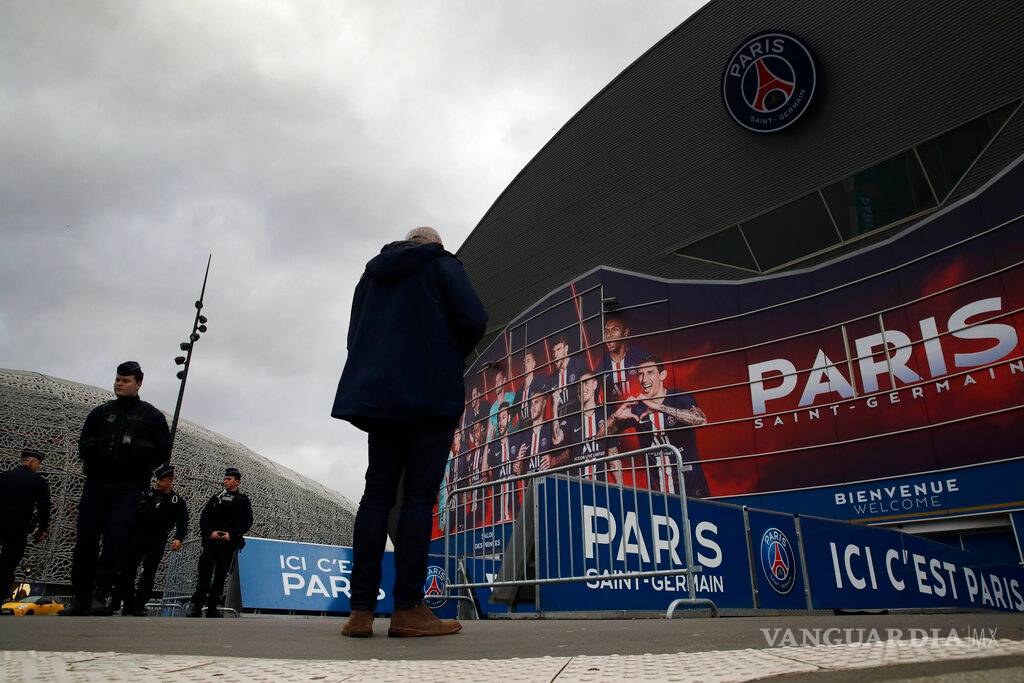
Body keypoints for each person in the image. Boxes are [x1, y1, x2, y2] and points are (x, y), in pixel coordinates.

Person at [332, 226, 486, 638]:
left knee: (376, 495)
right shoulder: (442, 264)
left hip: (381, 398)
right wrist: (448, 350)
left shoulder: (373, 274)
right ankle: (408, 609)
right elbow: (475, 318)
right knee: (418, 497)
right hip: (431, 395)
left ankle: (360, 611)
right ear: (434, 243)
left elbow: (355, 335)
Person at [63, 361, 171, 616]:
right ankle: (80, 597)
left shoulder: (151, 417)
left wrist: (137, 461)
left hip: (129, 486)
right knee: (86, 540)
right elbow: (83, 444)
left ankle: (100, 595)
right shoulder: (100, 413)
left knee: (115, 540)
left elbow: (163, 451)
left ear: (139, 383)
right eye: (118, 379)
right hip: (97, 483)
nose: (119, 384)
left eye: (126, 380)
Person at [608, 355, 709, 498]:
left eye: (650, 373)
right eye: (641, 374)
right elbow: (602, 436)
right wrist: (614, 417)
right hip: (658, 493)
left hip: (692, 487)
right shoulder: (636, 408)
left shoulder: (679, 397)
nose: (644, 380)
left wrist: (659, 407)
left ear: (662, 375)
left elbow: (701, 420)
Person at [120, 464, 188, 616]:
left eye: (162, 479)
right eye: (157, 479)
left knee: (149, 572)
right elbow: (134, 514)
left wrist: (179, 538)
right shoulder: (147, 495)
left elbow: (183, 521)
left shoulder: (176, 501)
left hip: (158, 538)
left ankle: (139, 604)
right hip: (139, 535)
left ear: (170, 481)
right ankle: (128, 602)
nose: (158, 482)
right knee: (128, 569)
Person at [187, 467, 252, 617]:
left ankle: (212, 607)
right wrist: (210, 532)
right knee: (204, 573)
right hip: (212, 542)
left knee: (220, 576)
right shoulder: (216, 498)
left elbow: (247, 521)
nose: (225, 481)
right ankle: (196, 605)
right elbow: (204, 516)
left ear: (237, 481)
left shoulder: (243, 500)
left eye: (229, 479)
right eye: (225, 478)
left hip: (228, 544)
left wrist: (232, 535)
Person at [0, 449, 50, 597]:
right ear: (31, 462)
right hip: (18, 527)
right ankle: (2, 592)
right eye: (38, 464)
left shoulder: (3, 476)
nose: (38, 467)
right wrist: (42, 529)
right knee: (8, 563)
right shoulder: (39, 481)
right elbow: (44, 508)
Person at [599, 317, 648, 402]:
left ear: (625, 333)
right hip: (615, 413)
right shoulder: (602, 365)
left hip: (640, 411)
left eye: (614, 330)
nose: (609, 334)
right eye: (606, 331)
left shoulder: (640, 357)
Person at [550, 334, 586, 419]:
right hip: (561, 421)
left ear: (566, 349)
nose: (555, 354)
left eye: (558, 349)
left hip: (578, 418)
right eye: (554, 351)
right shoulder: (552, 378)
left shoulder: (578, 364)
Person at [513, 348, 548, 430]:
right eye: (524, 362)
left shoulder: (540, 383)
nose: (525, 365)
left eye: (528, 361)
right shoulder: (519, 393)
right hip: (523, 434)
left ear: (534, 364)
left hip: (537, 430)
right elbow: (511, 415)